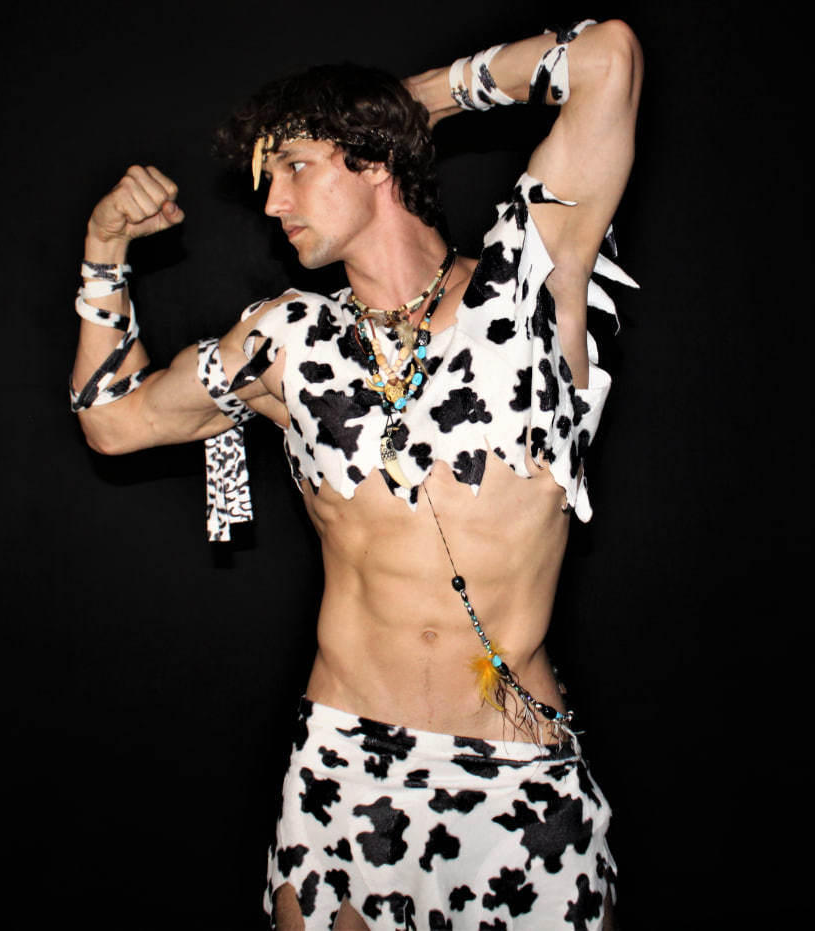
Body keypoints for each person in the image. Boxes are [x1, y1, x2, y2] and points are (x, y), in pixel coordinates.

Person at [69, 18, 642, 930]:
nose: (272, 201)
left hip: (517, 774)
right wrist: (104, 251)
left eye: (295, 165)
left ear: (372, 162)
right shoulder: (286, 340)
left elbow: (608, 56)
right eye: (268, 178)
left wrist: (404, 106)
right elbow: (110, 421)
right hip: (344, 770)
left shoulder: (532, 286)